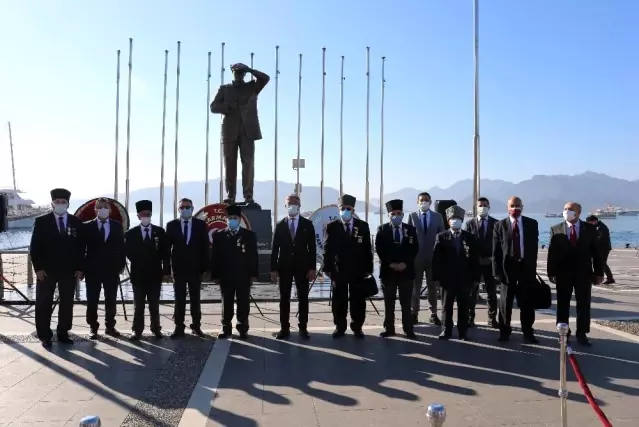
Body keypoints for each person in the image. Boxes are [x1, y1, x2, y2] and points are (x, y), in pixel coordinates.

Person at [30, 188, 84, 348]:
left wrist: (80, 268)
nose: (60, 204)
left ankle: (63, 332)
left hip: (69, 270)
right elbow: (35, 248)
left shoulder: (76, 222)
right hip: (46, 271)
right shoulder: (41, 222)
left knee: (67, 304)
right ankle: (45, 335)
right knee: (43, 303)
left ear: (68, 204)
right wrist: (38, 269)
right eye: (57, 202)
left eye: (63, 202)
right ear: (52, 203)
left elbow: (81, 248)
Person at [210, 62, 270, 205]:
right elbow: (213, 107)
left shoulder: (252, 86)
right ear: (232, 72)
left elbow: (266, 78)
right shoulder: (224, 89)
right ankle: (230, 196)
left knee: (248, 164)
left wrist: (250, 69)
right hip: (229, 132)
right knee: (230, 164)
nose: (239, 75)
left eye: (241, 72)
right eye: (236, 72)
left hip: (248, 131)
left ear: (244, 74)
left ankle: (248, 196)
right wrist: (228, 106)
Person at [548, 203, 603, 345]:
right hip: (563, 273)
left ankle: (582, 333)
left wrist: (599, 272)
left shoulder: (590, 229)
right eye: (565, 209)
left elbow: (597, 253)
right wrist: (551, 272)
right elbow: (552, 253)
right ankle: (563, 332)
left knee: (583, 304)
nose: (567, 211)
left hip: (583, 273)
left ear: (579, 213)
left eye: (571, 209)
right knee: (563, 304)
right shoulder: (556, 229)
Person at [322, 194, 374, 338]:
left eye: (348, 208)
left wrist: (368, 269)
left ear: (353, 210)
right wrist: (327, 268)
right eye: (343, 208)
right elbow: (327, 249)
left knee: (358, 300)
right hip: (339, 270)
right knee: (339, 300)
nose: (345, 210)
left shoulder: (363, 226)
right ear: (339, 209)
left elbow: (367, 249)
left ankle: (357, 327)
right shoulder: (332, 227)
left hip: (358, 270)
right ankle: (340, 326)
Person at [493, 196, 540, 343]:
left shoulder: (532, 224)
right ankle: (504, 332)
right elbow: (496, 252)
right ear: (507, 208)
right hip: (508, 271)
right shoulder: (499, 226)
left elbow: (533, 248)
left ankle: (528, 332)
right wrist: (497, 273)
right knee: (505, 304)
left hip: (526, 270)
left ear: (522, 207)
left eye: (518, 205)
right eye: (512, 205)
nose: (515, 208)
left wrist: (532, 269)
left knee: (527, 303)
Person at [270, 194, 316, 340]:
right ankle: (284, 328)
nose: (292, 206)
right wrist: (273, 269)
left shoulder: (307, 225)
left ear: (299, 206)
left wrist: (312, 268)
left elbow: (312, 248)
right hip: (284, 267)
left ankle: (303, 328)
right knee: (284, 299)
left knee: (303, 298)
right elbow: (274, 248)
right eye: (289, 204)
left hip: (303, 267)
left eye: (294, 204)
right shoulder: (280, 225)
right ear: (285, 206)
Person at [210, 204, 259, 339]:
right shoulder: (219, 236)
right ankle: (226, 327)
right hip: (226, 276)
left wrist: (254, 274)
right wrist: (215, 275)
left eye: (235, 218)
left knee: (243, 303)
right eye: (230, 217)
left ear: (239, 219)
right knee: (226, 303)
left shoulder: (249, 235)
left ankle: (243, 327)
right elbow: (215, 257)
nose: (232, 220)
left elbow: (253, 256)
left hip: (243, 276)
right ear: (226, 219)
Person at [124, 200, 171, 340]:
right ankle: (136, 330)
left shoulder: (160, 232)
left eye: (148, 214)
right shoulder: (130, 234)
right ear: (138, 216)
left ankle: (156, 328)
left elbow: (165, 253)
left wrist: (166, 271)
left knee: (154, 305)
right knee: (138, 306)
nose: (146, 216)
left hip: (155, 274)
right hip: (138, 274)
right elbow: (129, 253)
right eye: (143, 214)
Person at [432, 205, 480, 340]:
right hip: (447, 280)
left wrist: (476, 278)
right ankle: (446, 330)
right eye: (453, 218)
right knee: (446, 306)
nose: (455, 221)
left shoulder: (469, 237)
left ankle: (462, 331)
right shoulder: (441, 237)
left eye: (458, 218)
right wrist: (436, 278)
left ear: (462, 220)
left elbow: (474, 260)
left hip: (465, 279)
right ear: (448, 221)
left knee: (463, 306)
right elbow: (436, 259)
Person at [375, 199, 419, 338]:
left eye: (398, 213)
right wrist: (391, 264)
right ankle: (389, 328)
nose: (396, 215)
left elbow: (414, 249)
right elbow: (379, 249)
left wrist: (405, 263)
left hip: (406, 271)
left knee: (406, 303)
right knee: (389, 302)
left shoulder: (410, 230)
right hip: (388, 272)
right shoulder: (382, 229)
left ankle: (408, 329)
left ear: (402, 214)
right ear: (389, 214)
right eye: (393, 213)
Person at [166, 198, 209, 338]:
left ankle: (196, 326)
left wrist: (205, 269)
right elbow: (167, 250)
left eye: (188, 207)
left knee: (195, 299)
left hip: (195, 269)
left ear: (192, 208)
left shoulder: (201, 225)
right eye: (182, 207)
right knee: (179, 299)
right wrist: (166, 270)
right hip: (178, 270)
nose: (185, 209)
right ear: (179, 210)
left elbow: (204, 248)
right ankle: (179, 327)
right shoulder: (171, 225)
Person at [83, 198, 126, 339]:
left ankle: (110, 326)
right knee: (92, 300)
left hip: (111, 270)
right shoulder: (87, 226)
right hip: (92, 270)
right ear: (95, 209)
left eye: (105, 206)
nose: (102, 209)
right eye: (99, 207)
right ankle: (93, 327)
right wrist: (81, 268)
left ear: (110, 209)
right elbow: (81, 249)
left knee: (111, 300)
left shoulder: (117, 226)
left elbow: (121, 248)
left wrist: (121, 266)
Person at [407, 192, 445, 326]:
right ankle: (414, 313)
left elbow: (442, 236)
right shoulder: (412, 216)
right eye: (421, 200)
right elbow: (409, 238)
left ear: (430, 201)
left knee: (432, 288)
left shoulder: (438, 217)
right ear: (417, 202)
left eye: (426, 200)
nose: (424, 202)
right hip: (416, 258)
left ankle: (433, 314)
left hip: (432, 258)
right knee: (415, 287)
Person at [463, 197, 499, 328]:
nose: (482, 207)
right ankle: (470, 316)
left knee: (491, 292)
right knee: (472, 291)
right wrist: (473, 258)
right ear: (476, 207)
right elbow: (466, 244)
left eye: (485, 205)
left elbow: (498, 244)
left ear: (489, 207)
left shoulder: (496, 224)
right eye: (480, 205)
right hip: (475, 263)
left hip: (490, 263)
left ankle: (492, 317)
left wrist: (492, 258)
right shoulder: (469, 224)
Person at [586, 214, 614, 284]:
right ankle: (597, 277)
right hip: (599, 248)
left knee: (602, 263)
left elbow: (599, 239)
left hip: (604, 248)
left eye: (589, 222)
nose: (589, 224)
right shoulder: (596, 226)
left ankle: (609, 278)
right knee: (597, 262)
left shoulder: (601, 228)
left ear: (594, 221)